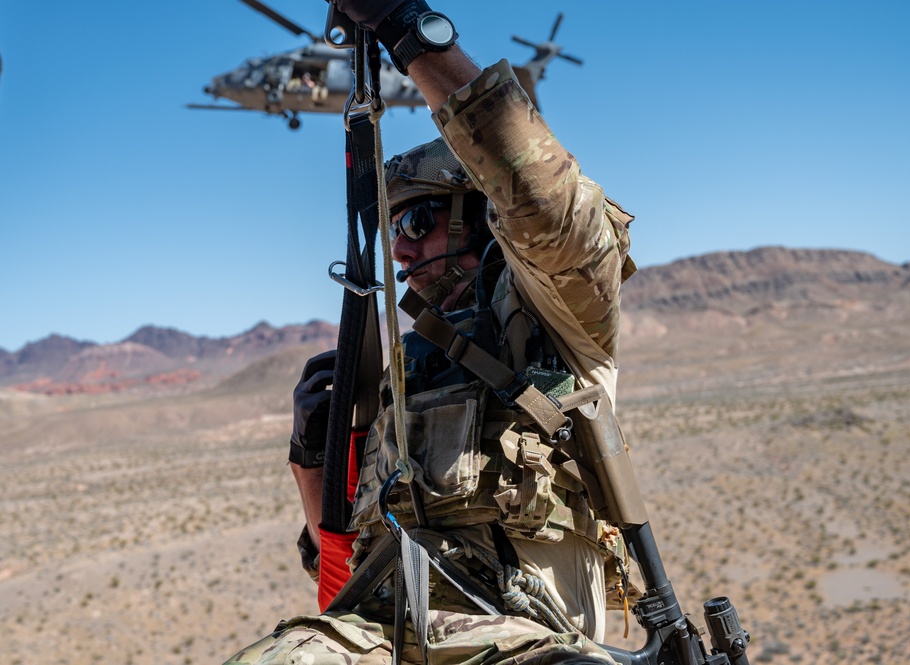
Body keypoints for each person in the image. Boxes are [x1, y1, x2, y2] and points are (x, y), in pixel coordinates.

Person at [225, 1, 636, 662]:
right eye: (395, 232)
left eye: (417, 225)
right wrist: (311, 459)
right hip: (392, 629)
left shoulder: (554, 319)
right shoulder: (405, 366)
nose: (401, 254)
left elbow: (546, 200)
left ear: (479, 217)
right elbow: (344, 570)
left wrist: (406, 29)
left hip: (526, 635)